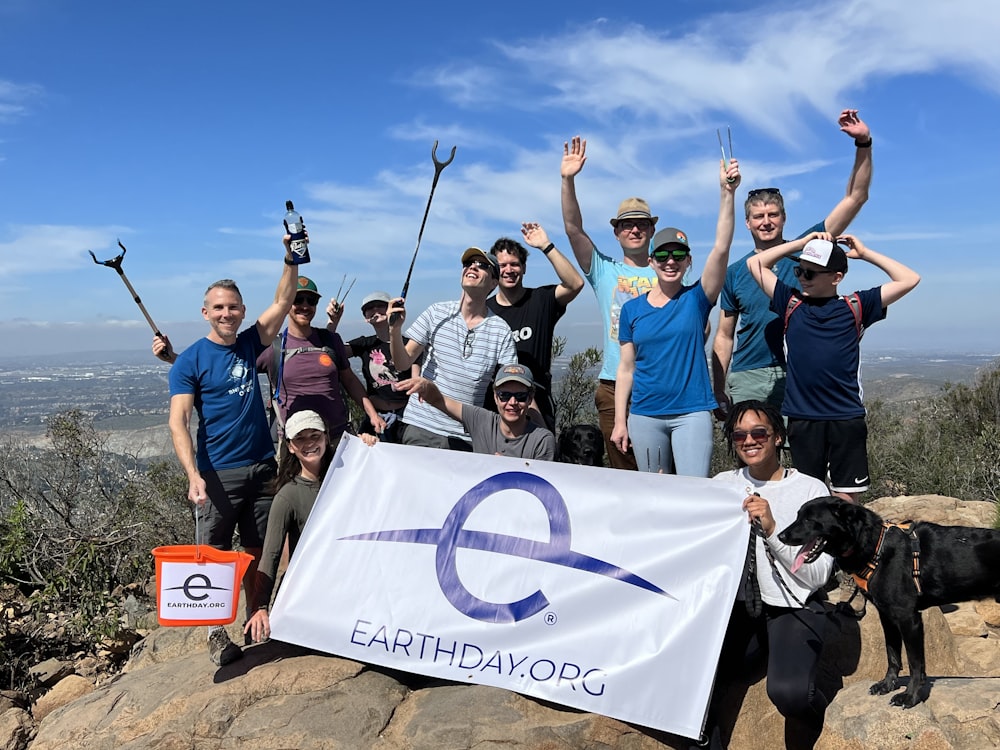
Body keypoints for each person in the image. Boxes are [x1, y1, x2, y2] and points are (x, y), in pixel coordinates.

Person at [167, 236, 297, 666]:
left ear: (241, 311)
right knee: (214, 557)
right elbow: (179, 421)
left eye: (233, 307)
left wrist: (290, 258)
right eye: (218, 308)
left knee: (260, 551)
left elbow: (283, 300)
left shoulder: (249, 343)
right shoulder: (190, 361)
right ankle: (215, 634)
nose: (226, 314)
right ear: (206, 313)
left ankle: (255, 617)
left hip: (261, 468)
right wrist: (192, 474)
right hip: (217, 475)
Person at [712, 110, 873, 416]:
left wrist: (863, 144)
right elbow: (723, 334)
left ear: (784, 218)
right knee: (754, 457)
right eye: (758, 216)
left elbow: (856, 197)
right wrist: (718, 389)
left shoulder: (809, 250)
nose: (766, 221)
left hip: (799, 372)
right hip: (748, 376)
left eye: (773, 214)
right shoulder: (736, 272)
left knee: (802, 459)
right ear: (747, 223)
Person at [701, 400, 835, 750]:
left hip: (792, 606)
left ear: (778, 437)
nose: (749, 440)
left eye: (759, 432)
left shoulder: (811, 491)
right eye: (739, 434)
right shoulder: (721, 484)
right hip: (735, 609)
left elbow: (819, 574)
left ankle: (834, 722)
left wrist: (774, 528)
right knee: (697, 680)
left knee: (789, 694)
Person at [747, 232, 920, 501]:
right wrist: (800, 244)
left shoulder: (857, 306)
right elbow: (756, 264)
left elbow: (909, 279)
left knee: (846, 498)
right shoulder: (791, 303)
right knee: (807, 496)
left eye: (811, 273)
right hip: (803, 418)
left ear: (836, 277)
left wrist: (865, 254)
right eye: (800, 270)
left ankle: (845, 544)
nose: (803, 277)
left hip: (845, 417)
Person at [610, 158, 741, 476]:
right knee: (654, 495)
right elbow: (626, 369)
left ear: (688, 261)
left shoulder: (697, 299)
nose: (671, 261)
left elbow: (721, 248)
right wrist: (619, 421)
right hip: (644, 415)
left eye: (679, 255)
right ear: (652, 262)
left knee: (694, 490)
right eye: (664, 255)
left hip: (692, 412)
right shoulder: (632, 310)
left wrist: (727, 194)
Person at [561, 135, 657, 470]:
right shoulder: (604, 271)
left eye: (641, 223)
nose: (634, 229)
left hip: (659, 384)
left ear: (651, 229)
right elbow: (573, 229)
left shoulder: (670, 273)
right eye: (627, 224)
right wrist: (568, 180)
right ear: (616, 232)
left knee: (662, 473)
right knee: (625, 472)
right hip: (613, 384)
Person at [244, 409, 376, 644]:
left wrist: (369, 448)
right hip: (307, 592)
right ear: (291, 446)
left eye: (314, 436)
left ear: (326, 437)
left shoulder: (347, 477)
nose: (309, 444)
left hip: (349, 585)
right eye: (300, 439)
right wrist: (260, 607)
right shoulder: (288, 496)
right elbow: (271, 556)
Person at [388, 247, 518, 451]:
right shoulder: (436, 312)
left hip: (466, 435)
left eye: (482, 265)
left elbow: (509, 385)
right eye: (468, 264)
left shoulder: (501, 330)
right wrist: (394, 330)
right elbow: (402, 362)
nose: (472, 267)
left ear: (494, 283)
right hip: (421, 426)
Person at [257, 276, 385, 450]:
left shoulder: (331, 340)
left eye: (311, 300)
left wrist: (372, 414)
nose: (305, 306)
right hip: (296, 443)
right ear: (286, 304)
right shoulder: (273, 348)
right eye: (297, 299)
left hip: (337, 437)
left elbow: (350, 380)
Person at [486, 222, 584, 430]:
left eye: (515, 264)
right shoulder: (484, 310)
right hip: (495, 404)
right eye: (502, 265)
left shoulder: (541, 300)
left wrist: (545, 246)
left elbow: (575, 283)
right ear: (494, 270)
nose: (509, 270)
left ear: (524, 268)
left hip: (537, 401)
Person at [397, 363, 556, 460]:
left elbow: (541, 489)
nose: (512, 403)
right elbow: (440, 401)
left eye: (520, 396)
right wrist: (427, 387)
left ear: (530, 399)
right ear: (495, 397)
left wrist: (512, 470)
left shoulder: (542, 440)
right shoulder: (482, 421)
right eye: (505, 395)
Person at [325, 290, 412, 442]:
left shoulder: (410, 345)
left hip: (406, 417)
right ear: (365, 317)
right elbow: (329, 352)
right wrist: (333, 323)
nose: (375, 310)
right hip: (375, 416)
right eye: (369, 308)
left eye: (381, 306)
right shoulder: (365, 344)